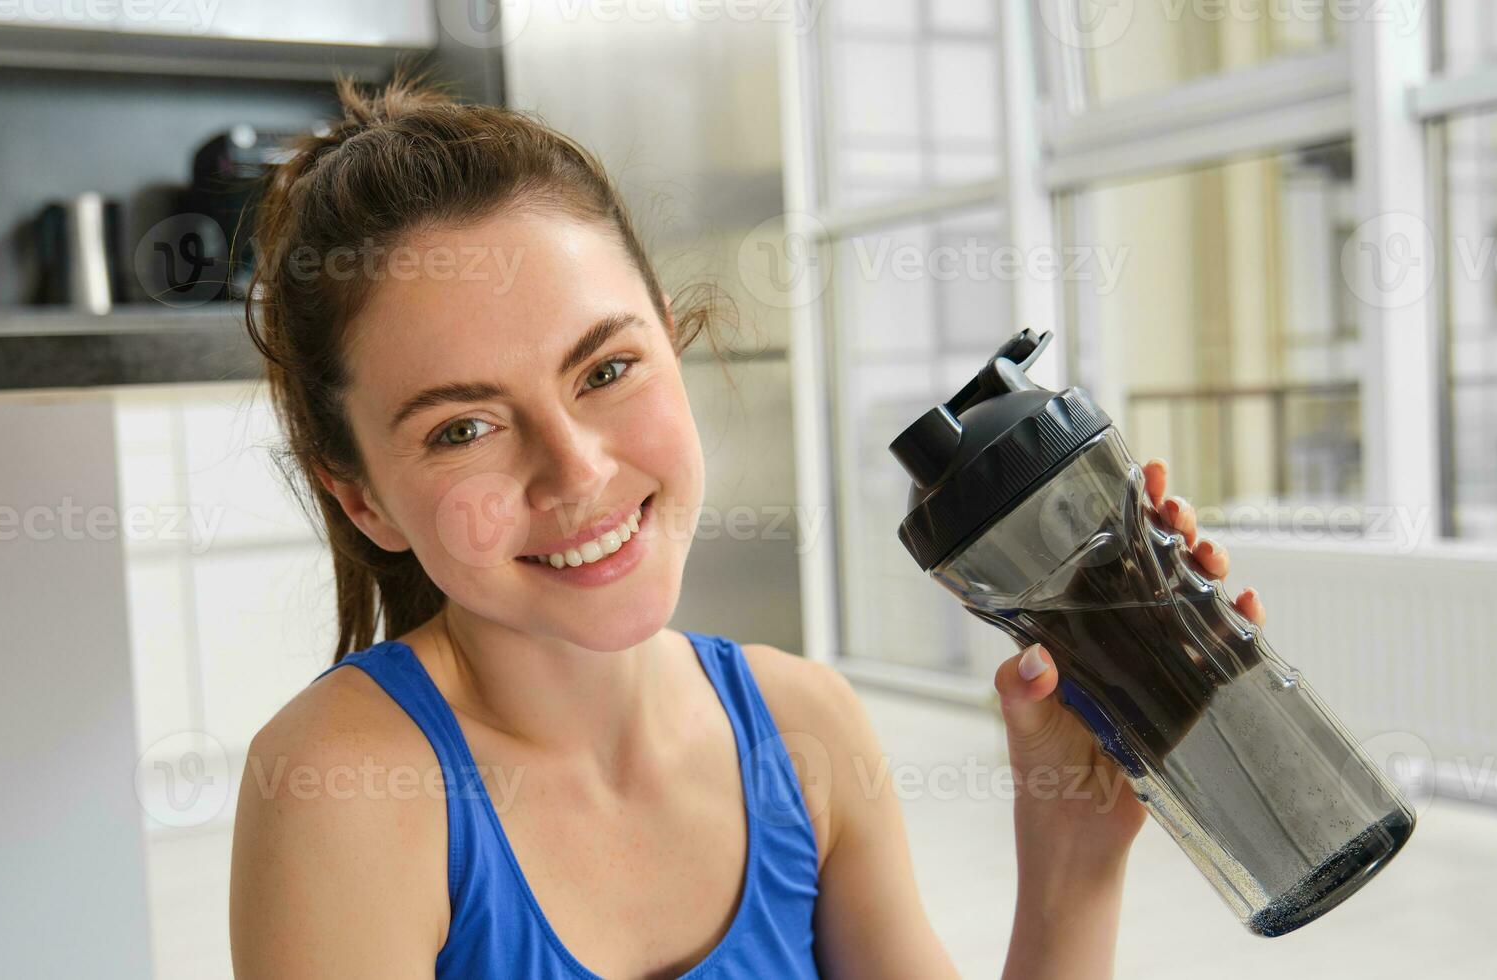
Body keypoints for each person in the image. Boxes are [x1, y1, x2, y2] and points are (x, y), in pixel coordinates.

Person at [228, 75, 1265, 979]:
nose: (576, 469)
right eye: (463, 427)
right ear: (360, 496)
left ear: (674, 348)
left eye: (605, 369)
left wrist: (1073, 855)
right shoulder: (345, 790)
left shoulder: (805, 729)